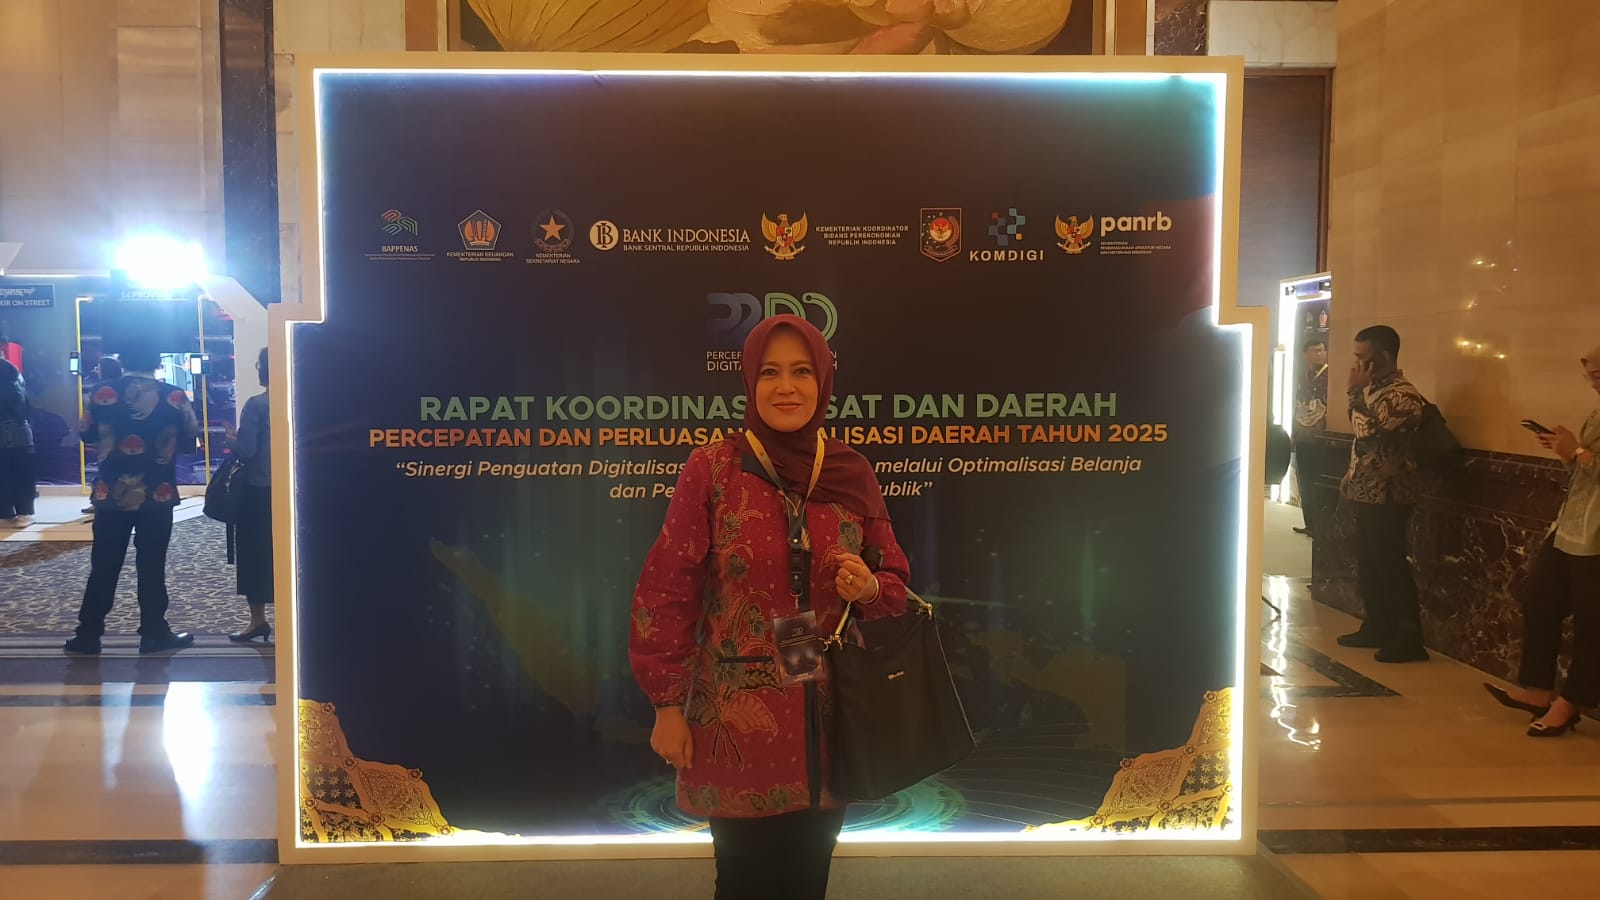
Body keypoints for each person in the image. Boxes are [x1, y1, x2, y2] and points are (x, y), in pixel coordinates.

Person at [631, 315, 911, 900]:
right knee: (743, 880)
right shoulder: (714, 468)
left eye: (802, 372)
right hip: (736, 719)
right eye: (770, 373)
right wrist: (666, 705)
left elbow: (894, 586)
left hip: (829, 721)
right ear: (749, 383)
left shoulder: (851, 471)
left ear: (823, 381)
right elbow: (667, 589)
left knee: (808, 877)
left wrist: (868, 588)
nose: (787, 387)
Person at [1484, 344, 1600, 737]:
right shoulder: (1597, 413)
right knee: (1540, 599)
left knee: (1591, 621)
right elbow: (1585, 472)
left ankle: (1570, 703)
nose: (1593, 381)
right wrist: (1567, 453)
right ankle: (1537, 689)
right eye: (1590, 375)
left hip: (1596, 536)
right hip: (1570, 525)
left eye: (1599, 373)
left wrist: (1578, 452)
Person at [64, 340, 201, 655]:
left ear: (122, 359)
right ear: (157, 362)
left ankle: (88, 634)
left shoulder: (101, 392)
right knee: (152, 565)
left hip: (110, 494)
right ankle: (154, 633)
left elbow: (86, 434)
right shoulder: (174, 395)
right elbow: (190, 434)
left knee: (103, 565)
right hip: (158, 494)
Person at [1336, 325, 1429, 663]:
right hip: (1366, 490)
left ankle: (1407, 637)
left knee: (1390, 564)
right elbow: (1363, 444)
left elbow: (1367, 430)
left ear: (1385, 356)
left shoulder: (1403, 395)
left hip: (1390, 495)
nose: (1357, 366)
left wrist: (1354, 393)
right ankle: (1377, 624)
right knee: (1369, 562)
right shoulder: (1375, 391)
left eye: (1363, 358)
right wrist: (1351, 474)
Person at [227, 348, 273, 642]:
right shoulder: (304, 401)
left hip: (259, 490)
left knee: (255, 556)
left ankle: (258, 621)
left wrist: (232, 440)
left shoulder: (257, 405)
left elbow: (247, 451)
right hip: (295, 490)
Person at [1292, 338, 1330, 536]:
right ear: (1305, 354)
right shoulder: (1303, 376)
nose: (1319, 354)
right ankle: (1310, 523)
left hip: (1320, 438)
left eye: (1322, 350)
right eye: (1314, 351)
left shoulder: (1329, 376)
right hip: (1303, 436)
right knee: (1305, 482)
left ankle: (1321, 526)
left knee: (1318, 482)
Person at [0, 358, 36, 528]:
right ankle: (24, 513)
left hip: (5, 436)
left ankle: (5, 512)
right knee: (22, 475)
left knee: (4, 475)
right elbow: (24, 411)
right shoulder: (16, 384)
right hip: (20, 435)